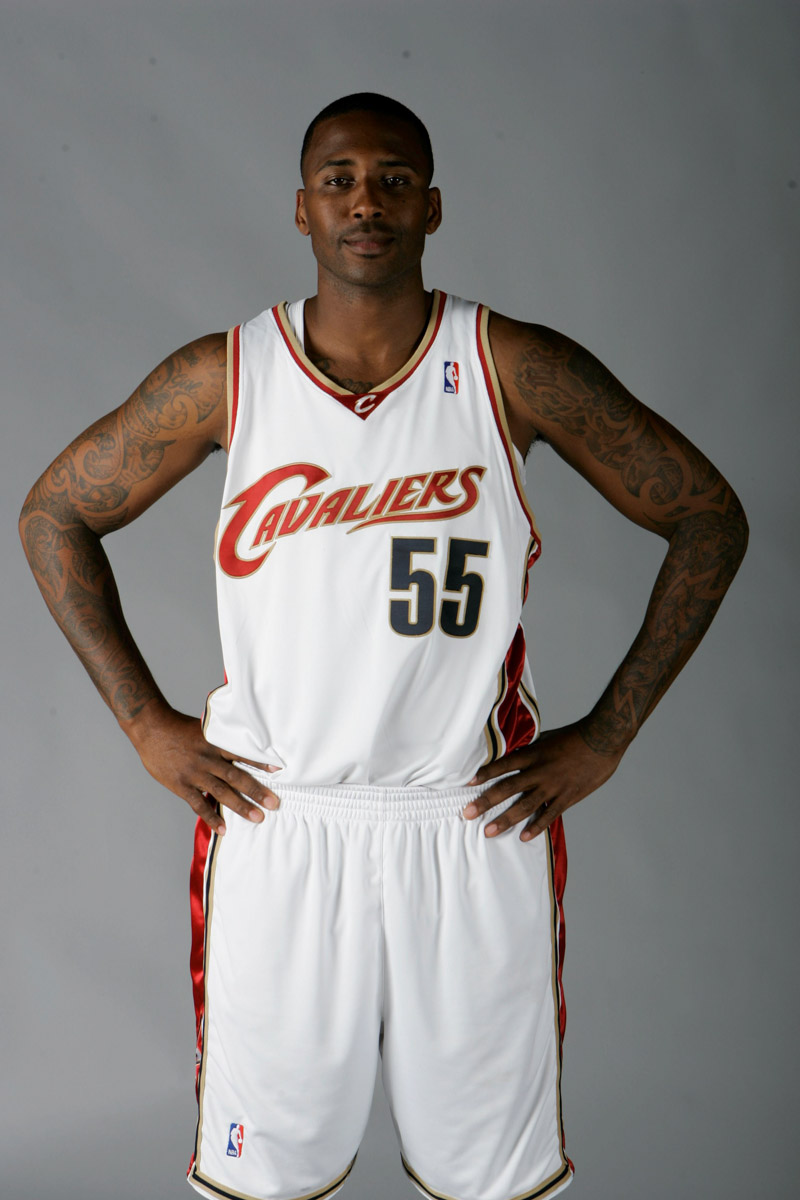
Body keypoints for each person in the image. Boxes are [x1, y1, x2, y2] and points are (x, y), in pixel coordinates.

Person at [19, 92, 748, 1200]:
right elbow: (51, 512)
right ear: (301, 208)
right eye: (341, 178)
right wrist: (141, 721)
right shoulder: (225, 376)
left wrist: (608, 733)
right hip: (277, 818)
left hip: (468, 819)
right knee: (261, 1181)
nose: (367, 199)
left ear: (433, 206)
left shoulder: (509, 366)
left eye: (394, 178)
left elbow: (706, 513)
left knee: (489, 1181)